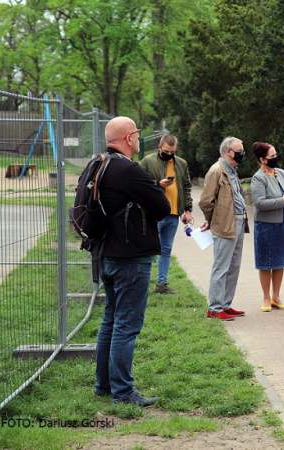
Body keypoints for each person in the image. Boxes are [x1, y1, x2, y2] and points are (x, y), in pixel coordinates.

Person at [94, 116, 171, 407]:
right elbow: (163, 207)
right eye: (137, 133)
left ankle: (104, 386)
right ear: (128, 138)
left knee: (111, 321)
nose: (139, 138)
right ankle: (123, 392)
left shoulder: (99, 163)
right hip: (131, 258)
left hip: (106, 254)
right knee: (126, 325)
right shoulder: (128, 169)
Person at [199, 137, 248, 321]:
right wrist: (212, 220)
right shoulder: (216, 170)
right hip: (226, 224)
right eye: (239, 150)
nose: (242, 153)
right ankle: (215, 307)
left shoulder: (232, 171)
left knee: (233, 266)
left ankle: (225, 305)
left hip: (239, 223)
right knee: (221, 267)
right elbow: (205, 201)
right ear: (229, 151)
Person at [139, 134, 193, 294]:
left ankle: (161, 284)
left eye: (173, 152)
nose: (170, 154)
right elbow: (139, 184)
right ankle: (142, 283)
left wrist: (188, 210)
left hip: (173, 214)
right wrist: (158, 184)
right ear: (160, 148)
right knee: (148, 249)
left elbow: (187, 187)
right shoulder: (147, 161)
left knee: (166, 249)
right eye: (167, 151)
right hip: (154, 213)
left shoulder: (181, 164)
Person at [250, 142, 284, 312]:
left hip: (283, 222)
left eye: (276, 154)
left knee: (279, 262)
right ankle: (266, 297)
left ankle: (276, 296)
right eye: (272, 156)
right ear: (262, 159)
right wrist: (282, 201)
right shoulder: (258, 178)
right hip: (265, 225)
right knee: (265, 263)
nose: (275, 158)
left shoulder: (281, 173)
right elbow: (259, 203)